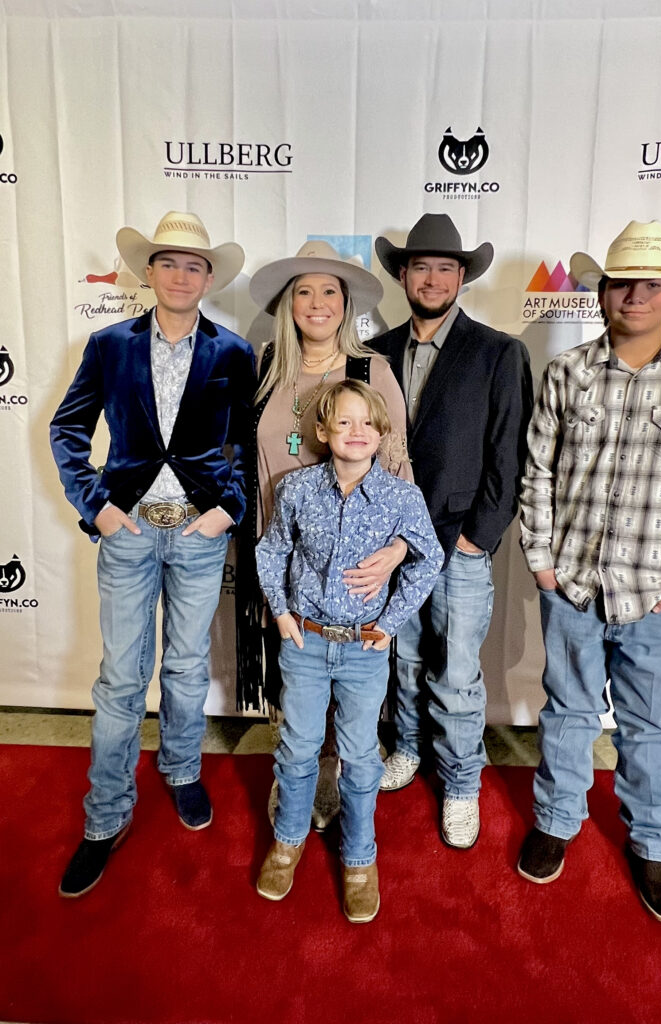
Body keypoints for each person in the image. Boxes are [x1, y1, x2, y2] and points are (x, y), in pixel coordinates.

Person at [517, 220, 661, 924]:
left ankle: (654, 844)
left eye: (651, 284)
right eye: (622, 284)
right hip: (576, 584)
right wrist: (544, 563)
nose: (635, 296)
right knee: (569, 713)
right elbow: (539, 474)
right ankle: (556, 820)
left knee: (648, 724)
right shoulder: (568, 373)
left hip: (659, 592)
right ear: (602, 292)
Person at [50, 211, 256, 897]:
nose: (179, 275)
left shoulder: (232, 352)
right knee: (119, 677)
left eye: (193, 265)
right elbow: (68, 426)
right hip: (130, 531)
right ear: (148, 273)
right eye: (167, 263)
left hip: (199, 535)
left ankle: (181, 768)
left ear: (208, 278)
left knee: (190, 664)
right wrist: (98, 507)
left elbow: (247, 445)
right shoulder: (109, 345)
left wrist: (228, 509)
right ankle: (105, 816)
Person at [370, 214, 533, 848]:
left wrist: (478, 537)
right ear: (402, 276)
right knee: (404, 658)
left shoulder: (499, 352)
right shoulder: (374, 353)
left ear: (461, 278)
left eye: (445, 268)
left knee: (457, 674)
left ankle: (462, 781)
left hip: (459, 541)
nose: (432, 278)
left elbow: (509, 454)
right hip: (392, 544)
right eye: (420, 267)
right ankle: (408, 747)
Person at [236, 241, 412, 830]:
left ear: (346, 303)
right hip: (278, 544)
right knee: (295, 667)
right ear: (289, 305)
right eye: (304, 291)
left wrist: (398, 550)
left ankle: (333, 770)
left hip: (349, 563)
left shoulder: (370, 370)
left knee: (343, 676)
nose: (316, 303)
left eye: (329, 291)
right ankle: (298, 770)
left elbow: (398, 468)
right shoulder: (266, 365)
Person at [255, 380, 443, 922]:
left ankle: (359, 858)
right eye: (343, 422)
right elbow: (272, 551)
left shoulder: (401, 497)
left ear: (382, 433)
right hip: (306, 643)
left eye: (367, 423)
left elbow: (427, 558)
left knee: (361, 757)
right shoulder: (296, 490)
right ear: (322, 432)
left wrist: (390, 621)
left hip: (364, 649)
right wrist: (283, 614)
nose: (356, 432)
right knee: (297, 748)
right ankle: (288, 841)